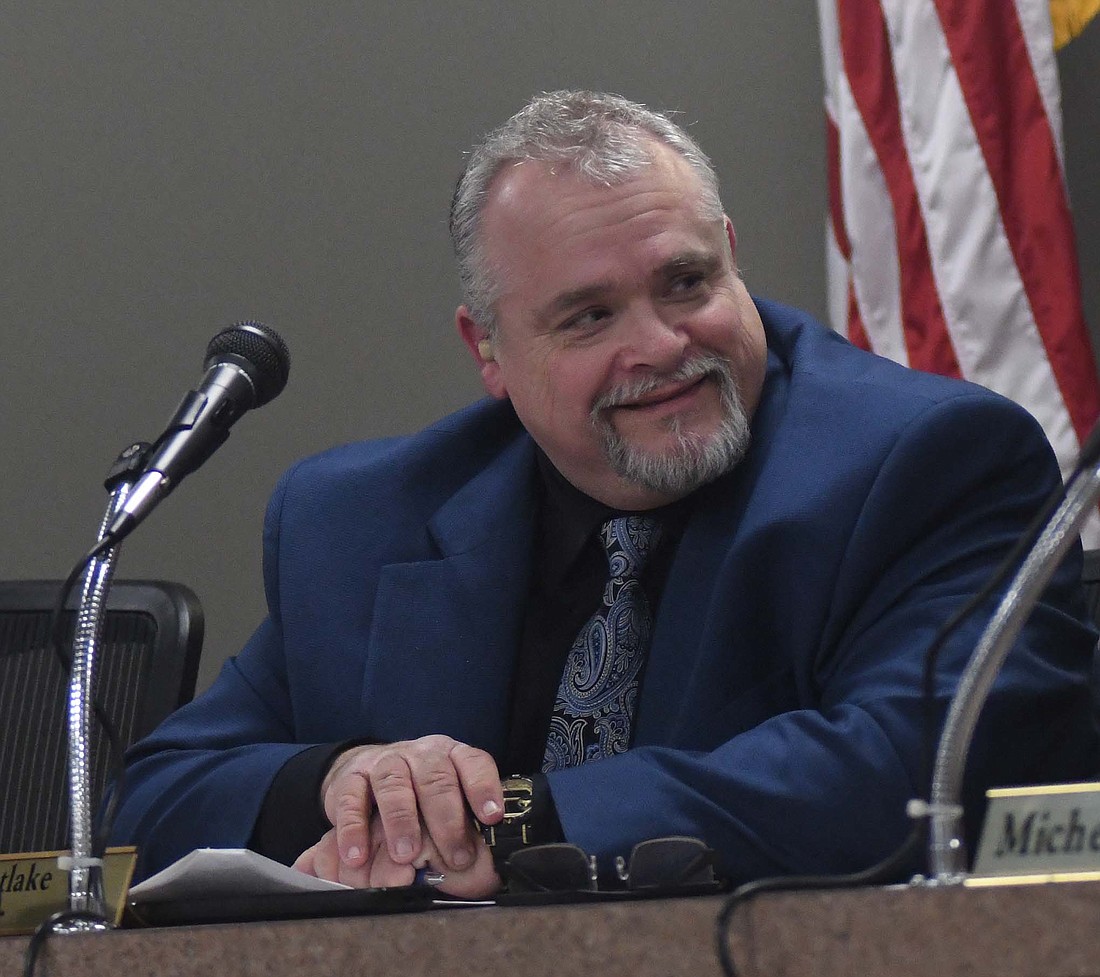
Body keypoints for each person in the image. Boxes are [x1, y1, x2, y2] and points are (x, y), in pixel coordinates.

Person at [111, 91, 1098, 897]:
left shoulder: (921, 460)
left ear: (731, 255)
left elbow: (915, 770)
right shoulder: (362, 519)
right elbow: (150, 796)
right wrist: (340, 782)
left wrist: (504, 821)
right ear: (487, 351)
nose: (663, 345)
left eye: (683, 282)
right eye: (588, 316)